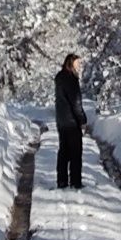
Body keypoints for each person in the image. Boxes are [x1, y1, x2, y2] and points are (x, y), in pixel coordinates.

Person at [53, 52, 86, 189]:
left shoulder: (59, 78)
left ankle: (62, 181)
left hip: (61, 121)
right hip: (72, 122)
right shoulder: (71, 79)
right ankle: (75, 181)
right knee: (75, 153)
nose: (79, 66)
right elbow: (76, 103)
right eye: (77, 63)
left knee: (63, 152)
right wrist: (82, 119)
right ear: (71, 63)